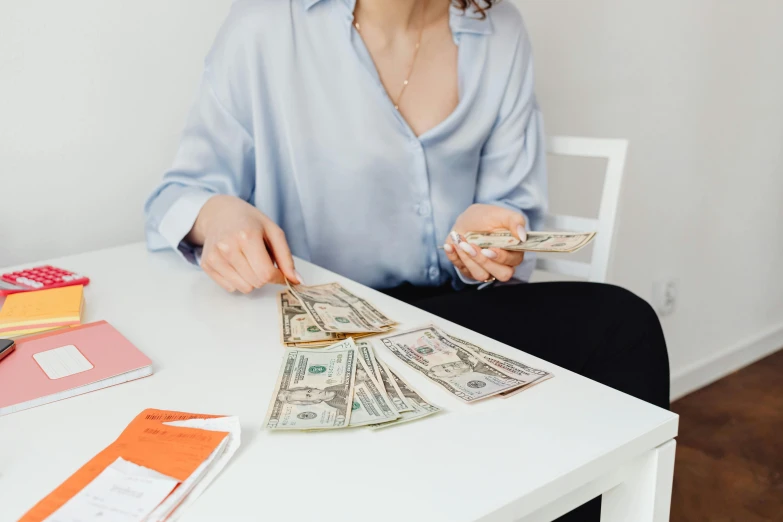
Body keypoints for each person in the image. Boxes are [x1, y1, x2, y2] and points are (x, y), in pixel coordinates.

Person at [144, 1, 669, 520]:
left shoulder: (501, 31)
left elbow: (513, 205)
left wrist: (491, 237)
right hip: (326, 335)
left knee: (625, 323)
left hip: (455, 318)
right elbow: (179, 195)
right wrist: (218, 216)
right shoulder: (264, 26)